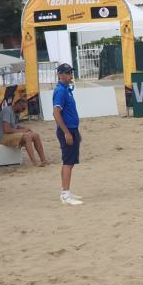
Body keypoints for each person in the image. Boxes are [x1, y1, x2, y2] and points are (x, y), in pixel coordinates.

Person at [52, 63, 84, 205]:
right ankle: (65, 194)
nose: (71, 75)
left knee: (70, 162)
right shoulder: (60, 91)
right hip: (67, 130)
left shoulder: (66, 89)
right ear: (60, 74)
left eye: (71, 72)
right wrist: (67, 132)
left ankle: (66, 192)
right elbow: (56, 113)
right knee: (68, 162)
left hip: (72, 128)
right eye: (68, 73)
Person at [0, 97, 48, 166]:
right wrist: (22, 131)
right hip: (3, 137)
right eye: (23, 108)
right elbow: (7, 130)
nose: (23, 110)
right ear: (17, 105)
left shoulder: (16, 112)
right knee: (27, 136)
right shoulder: (7, 111)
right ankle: (34, 162)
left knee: (36, 135)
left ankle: (43, 160)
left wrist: (25, 128)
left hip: (10, 135)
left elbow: (15, 125)